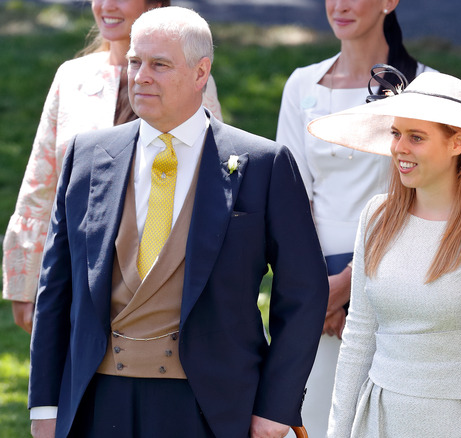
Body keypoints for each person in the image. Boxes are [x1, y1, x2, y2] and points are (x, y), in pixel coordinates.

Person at [27, 7, 327, 438]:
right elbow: (55, 289)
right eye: (135, 62)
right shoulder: (87, 157)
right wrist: (44, 406)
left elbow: (303, 292)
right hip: (96, 401)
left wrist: (276, 410)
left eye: (159, 65)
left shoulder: (263, 164)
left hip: (211, 407)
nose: (141, 76)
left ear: (201, 72)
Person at [307, 69, 461, 437]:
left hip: (460, 423)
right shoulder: (377, 216)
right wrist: (338, 431)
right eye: (396, 134)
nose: (400, 147)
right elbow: (359, 335)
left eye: (417, 137)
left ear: (457, 143)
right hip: (379, 419)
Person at [3, 0, 222, 334]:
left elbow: (211, 180)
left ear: (156, 5)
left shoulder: (189, 82)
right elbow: (42, 180)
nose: (106, 5)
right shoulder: (72, 76)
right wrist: (25, 279)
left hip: (157, 281)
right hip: (76, 271)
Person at [275, 1, 433, 435]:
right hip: (313, 289)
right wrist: (313, 291)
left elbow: (422, 200)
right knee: (313, 415)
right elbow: (290, 198)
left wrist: (347, 284)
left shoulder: (426, 87)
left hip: (394, 283)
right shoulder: (301, 84)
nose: (340, 5)